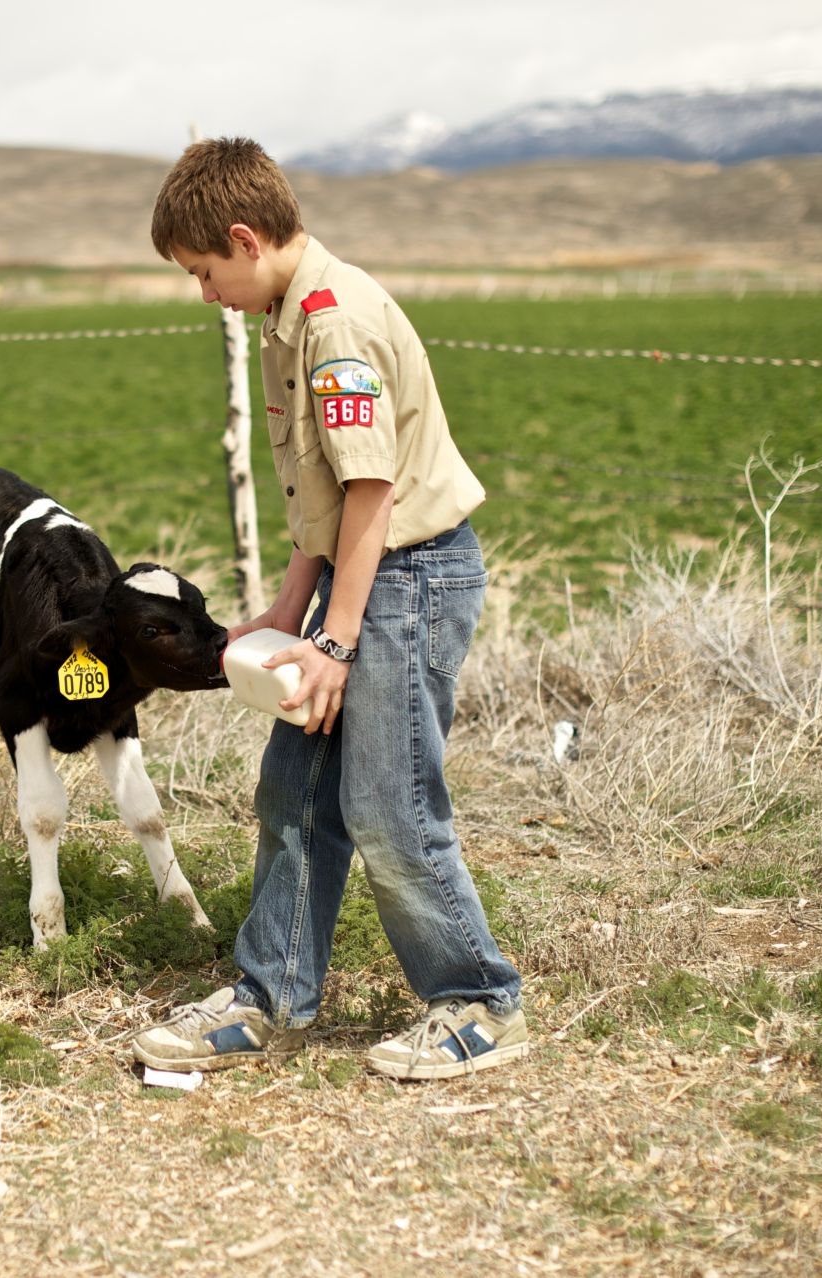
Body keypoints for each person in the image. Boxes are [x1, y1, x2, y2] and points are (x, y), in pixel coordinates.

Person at [133, 138, 528, 1081]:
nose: (203, 294)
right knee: (297, 791)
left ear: (243, 237)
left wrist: (337, 642)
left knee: (388, 802)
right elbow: (321, 494)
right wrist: (284, 611)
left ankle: (478, 1001)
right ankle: (270, 996)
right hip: (359, 581)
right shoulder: (285, 318)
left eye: (202, 272)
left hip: (410, 579)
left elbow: (372, 494)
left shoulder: (333, 320)